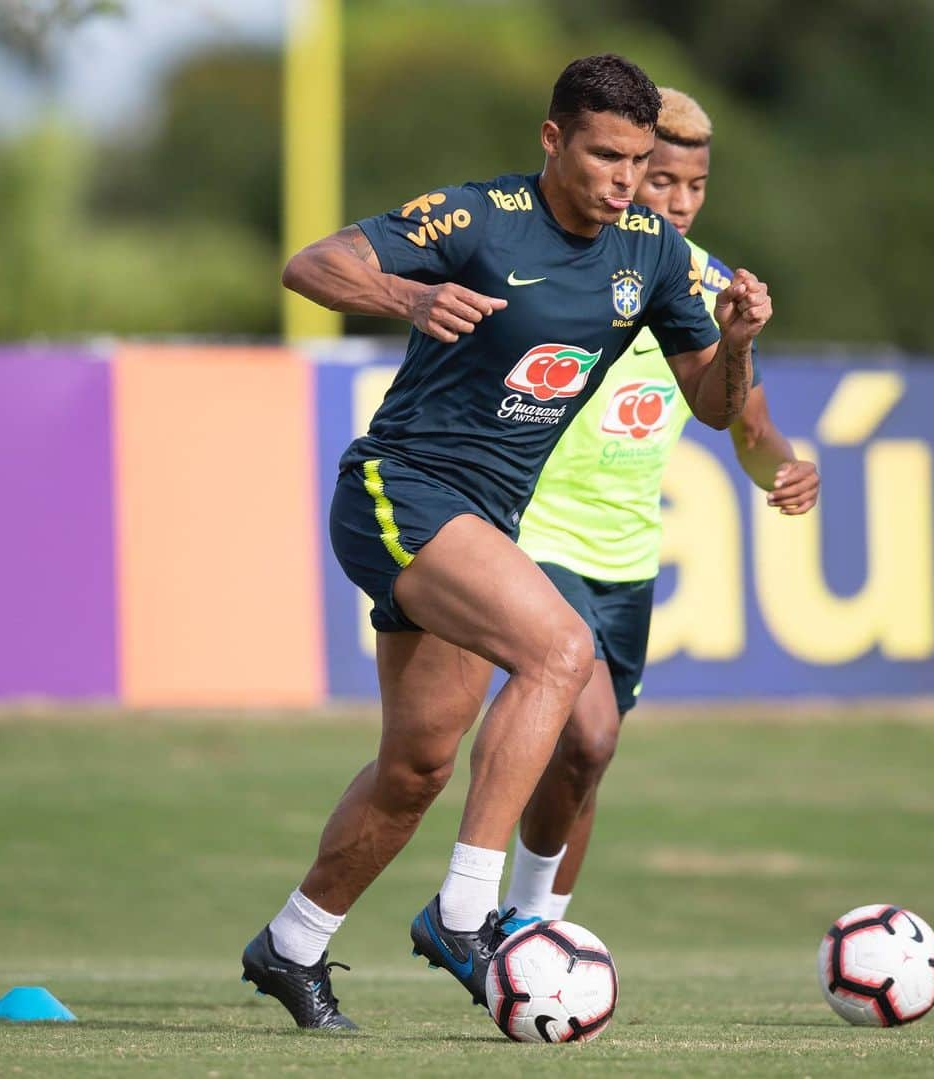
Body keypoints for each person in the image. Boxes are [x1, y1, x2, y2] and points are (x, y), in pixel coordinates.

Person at [240, 55, 771, 1029]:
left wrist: (733, 342)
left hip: (480, 522)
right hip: (396, 488)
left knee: (417, 768)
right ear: (552, 140)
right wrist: (408, 297)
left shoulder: (649, 252)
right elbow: (310, 263)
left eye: (639, 160)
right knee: (561, 648)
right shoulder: (476, 215)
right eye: (606, 155)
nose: (624, 179)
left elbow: (711, 406)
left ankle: (292, 942)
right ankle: (467, 910)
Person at [502, 88, 819, 924]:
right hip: (534, 537)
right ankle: (516, 929)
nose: (678, 202)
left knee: (583, 764)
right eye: (659, 181)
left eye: (696, 185)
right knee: (589, 732)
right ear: (625, 171)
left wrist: (786, 468)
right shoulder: (562, 255)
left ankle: (534, 929)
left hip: (626, 562)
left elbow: (748, 429)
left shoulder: (705, 284)